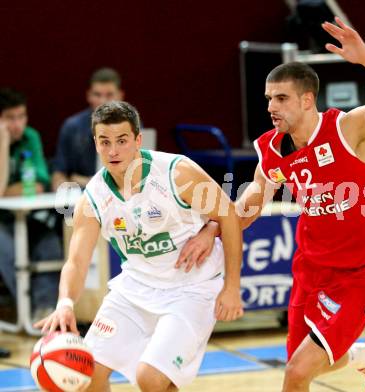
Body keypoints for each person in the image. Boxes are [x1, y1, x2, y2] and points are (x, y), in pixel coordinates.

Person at [181, 17, 365, 392]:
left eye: (281, 98)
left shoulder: (348, 129)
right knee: (300, 366)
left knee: (295, 372)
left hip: (364, 271)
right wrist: (212, 228)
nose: (271, 107)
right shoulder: (272, 152)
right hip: (312, 269)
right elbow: (249, 205)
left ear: (307, 99)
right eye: (268, 99)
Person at [35, 101, 244, 391]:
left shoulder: (176, 172)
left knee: (150, 378)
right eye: (105, 142)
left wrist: (231, 286)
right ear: (95, 143)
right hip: (136, 288)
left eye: (122, 141)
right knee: (87, 374)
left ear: (137, 140)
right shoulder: (93, 198)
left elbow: (229, 214)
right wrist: (65, 303)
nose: (113, 151)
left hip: (191, 288)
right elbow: (76, 261)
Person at [0, 88, 62, 317]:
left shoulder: (31, 137)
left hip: (23, 216)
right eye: (10, 118)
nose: (18, 125)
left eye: (21, 116)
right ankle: (26, 312)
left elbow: (38, 184)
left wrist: (8, 191)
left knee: (50, 243)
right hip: (1, 221)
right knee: (6, 249)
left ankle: (43, 311)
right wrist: (3, 145)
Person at [51, 67, 124, 191]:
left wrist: (81, 179)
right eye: (97, 95)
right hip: (82, 198)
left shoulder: (133, 125)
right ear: (89, 95)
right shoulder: (72, 127)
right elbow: (58, 176)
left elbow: (142, 172)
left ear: (120, 95)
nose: (103, 101)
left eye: (109, 95)